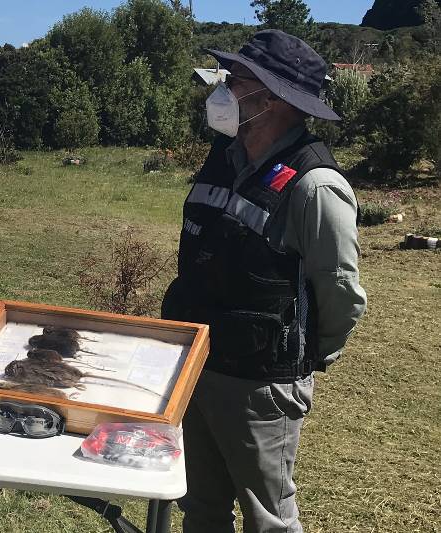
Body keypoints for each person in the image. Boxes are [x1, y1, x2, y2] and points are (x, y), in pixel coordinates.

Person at [161, 30, 367, 533]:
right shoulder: (224, 157)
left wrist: (298, 361)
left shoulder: (316, 186)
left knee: (267, 517)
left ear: (272, 99)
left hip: (261, 384)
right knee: (200, 507)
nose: (222, 89)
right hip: (195, 365)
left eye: (236, 81)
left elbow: (341, 293)